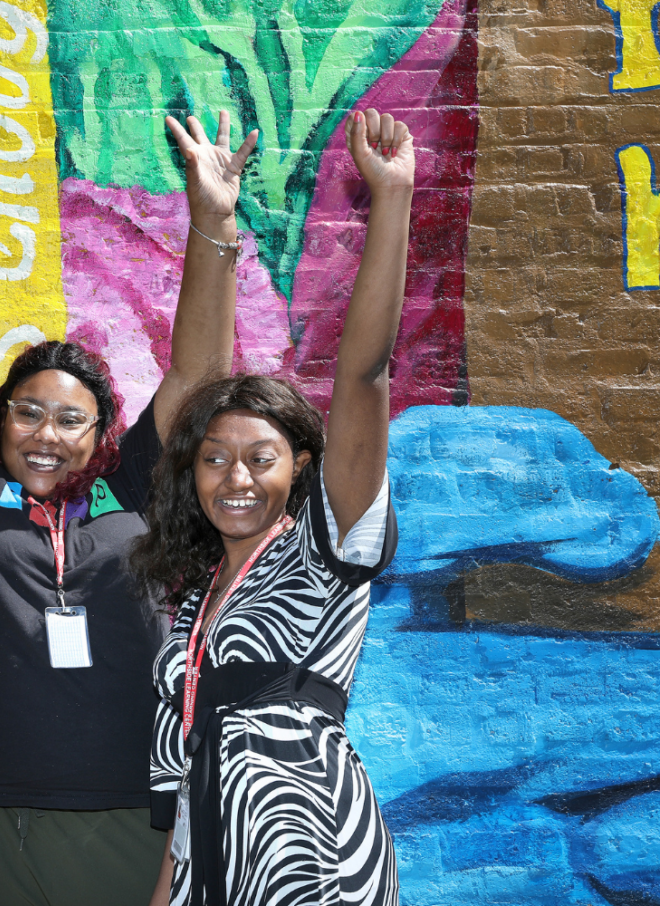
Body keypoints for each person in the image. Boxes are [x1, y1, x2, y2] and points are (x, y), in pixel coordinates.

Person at [0, 104, 257, 904]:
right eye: (28, 412)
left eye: (71, 419)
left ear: (101, 436)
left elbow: (199, 380)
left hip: (123, 813)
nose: (46, 435)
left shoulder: (131, 490)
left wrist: (212, 220)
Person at [131, 108, 413, 906]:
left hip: (310, 858)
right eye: (214, 460)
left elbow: (362, 376)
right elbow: (189, 779)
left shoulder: (325, 546)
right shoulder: (193, 595)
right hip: (209, 862)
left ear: (303, 468)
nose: (235, 478)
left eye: (260, 459)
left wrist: (390, 199)